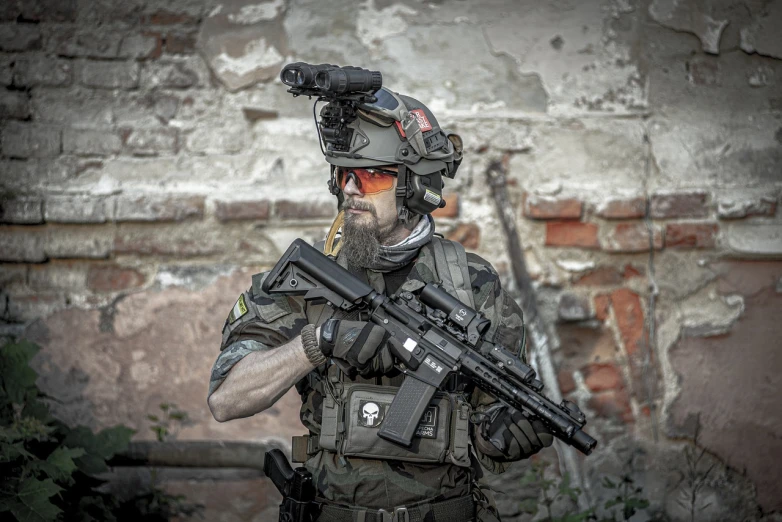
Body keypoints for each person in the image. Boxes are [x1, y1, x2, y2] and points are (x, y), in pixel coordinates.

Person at [207, 83, 553, 522]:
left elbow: (487, 423)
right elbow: (225, 399)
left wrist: (504, 434)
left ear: (415, 186)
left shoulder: (471, 282)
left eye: (370, 176)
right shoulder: (307, 278)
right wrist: (318, 342)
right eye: (342, 174)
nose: (351, 190)